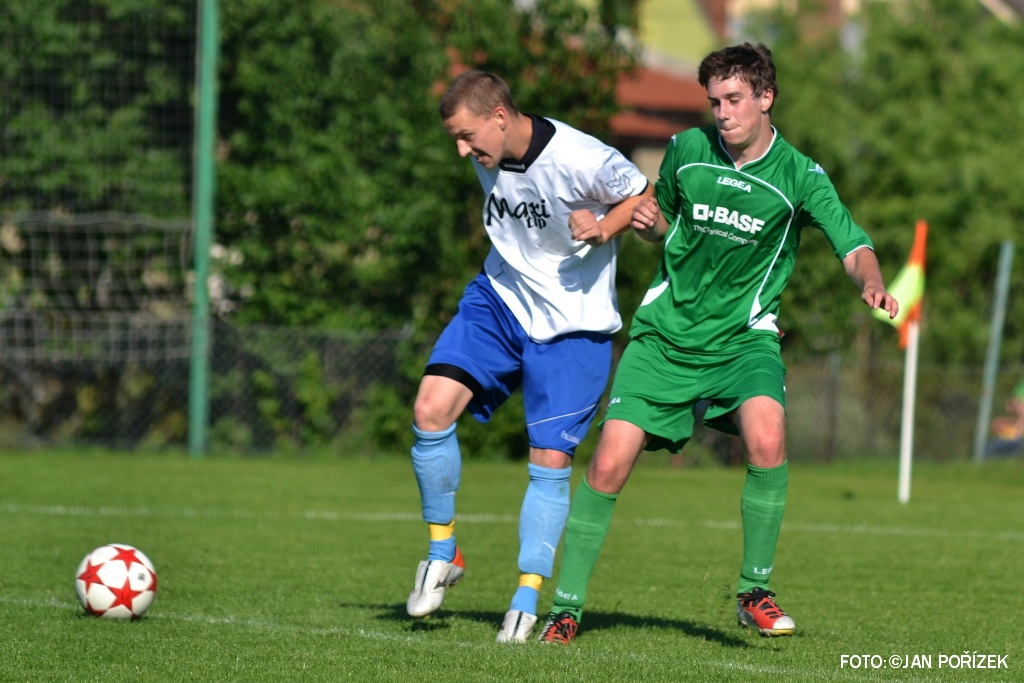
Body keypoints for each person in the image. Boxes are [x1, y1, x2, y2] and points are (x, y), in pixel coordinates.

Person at [537, 43, 899, 644]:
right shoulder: (687, 149)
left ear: (766, 97)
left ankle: (754, 592)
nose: (723, 112)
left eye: (734, 99)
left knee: (769, 439)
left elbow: (853, 244)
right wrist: (647, 225)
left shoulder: (800, 176)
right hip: (665, 336)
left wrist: (872, 282)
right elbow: (661, 222)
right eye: (714, 102)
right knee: (606, 466)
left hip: (743, 340)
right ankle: (566, 609)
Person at [406, 70, 654, 643]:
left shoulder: (579, 156)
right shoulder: (487, 150)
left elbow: (646, 195)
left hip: (573, 323)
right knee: (430, 410)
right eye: (455, 140)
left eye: (467, 136)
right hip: (501, 298)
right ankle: (443, 553)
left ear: (499, 116)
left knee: (549, 460)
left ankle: (526, 593)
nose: (462, 151)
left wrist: (604, 227)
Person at [986, 378, 1024, 457]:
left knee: (994, 447)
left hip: (1016, 442)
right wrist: (1007, 425)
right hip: (1014, 440)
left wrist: (1014, 433)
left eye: (1018, 402)